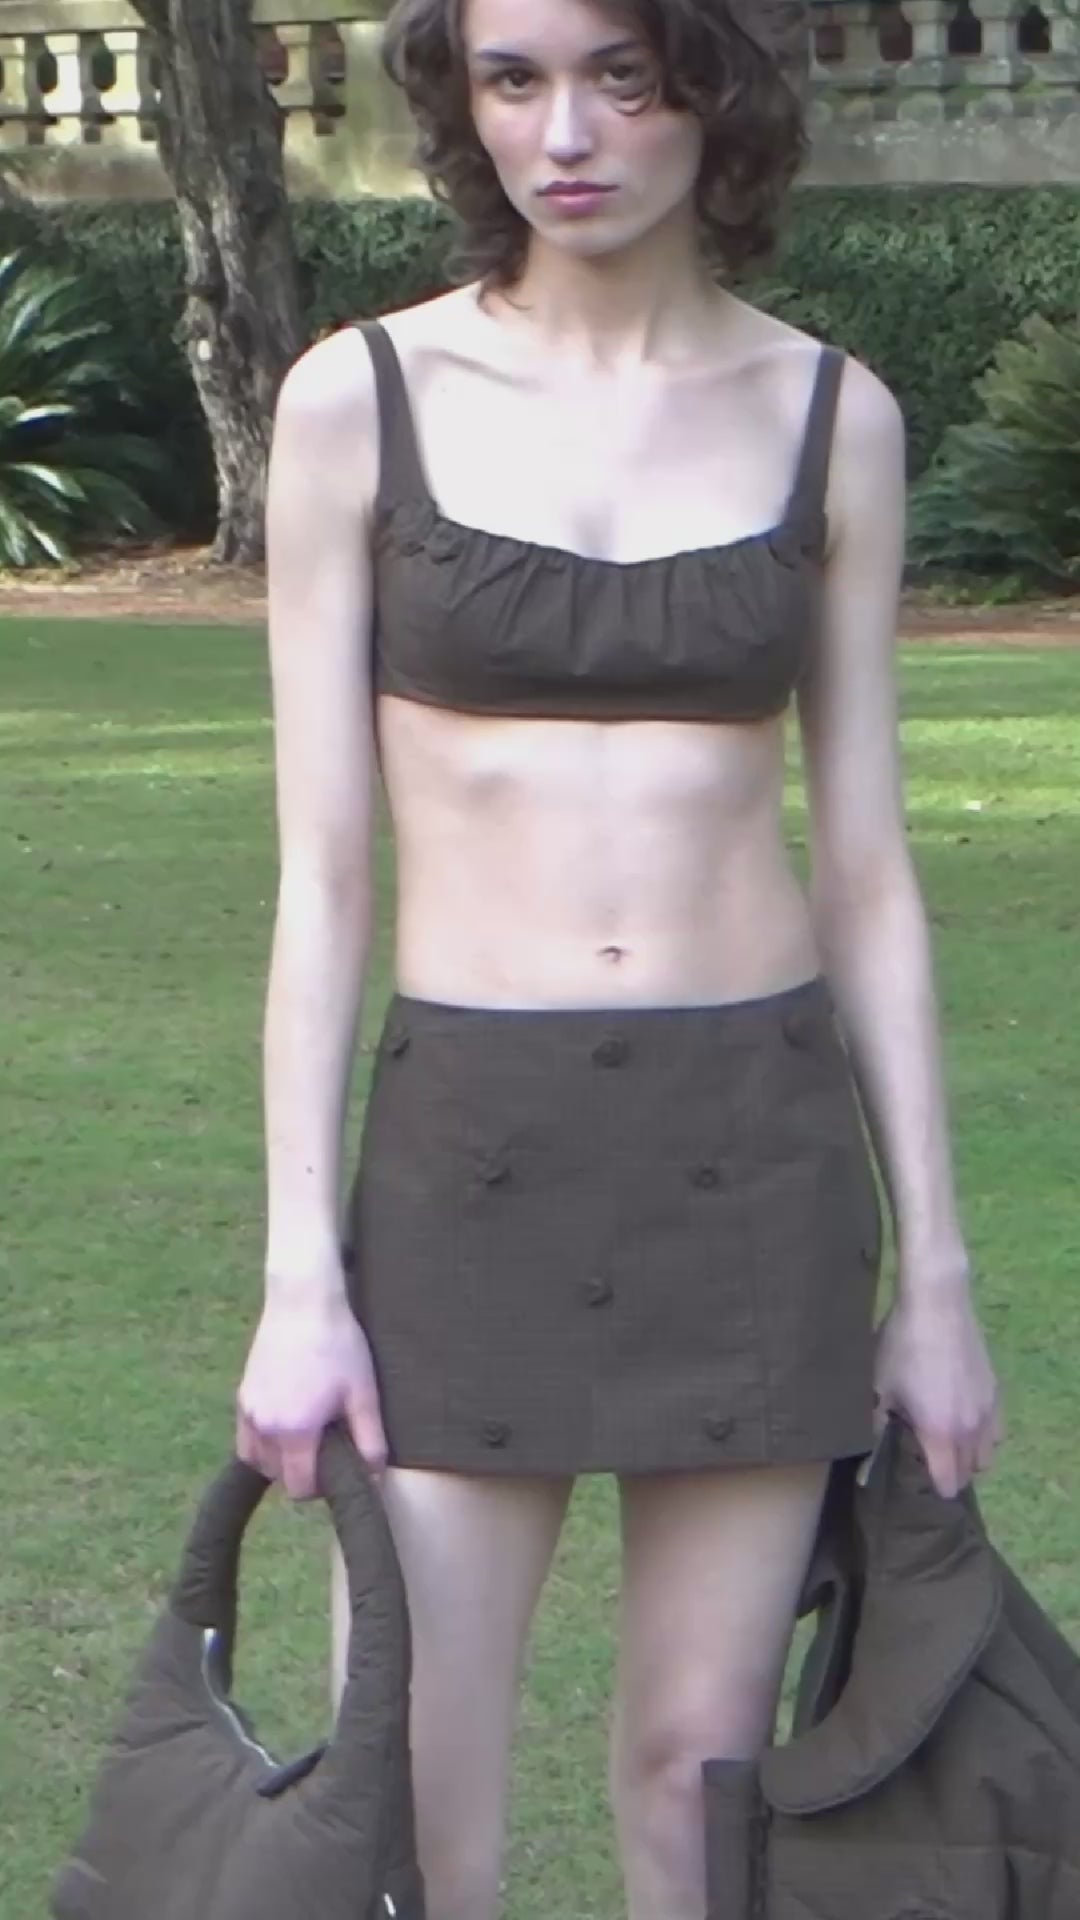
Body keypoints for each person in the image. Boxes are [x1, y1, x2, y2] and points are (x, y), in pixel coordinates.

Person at [236, 1, 1004, 1915]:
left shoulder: (830, 413)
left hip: (748, 1152)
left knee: (698, 1778)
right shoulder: (358, 398)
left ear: (713, 97)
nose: (562, 134)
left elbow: (871, 872)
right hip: (467, 1148)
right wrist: (297, 1273)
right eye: (514, 80)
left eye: (619, 78)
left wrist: (938, 1274)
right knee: (416, 1788)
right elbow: (323, 874)